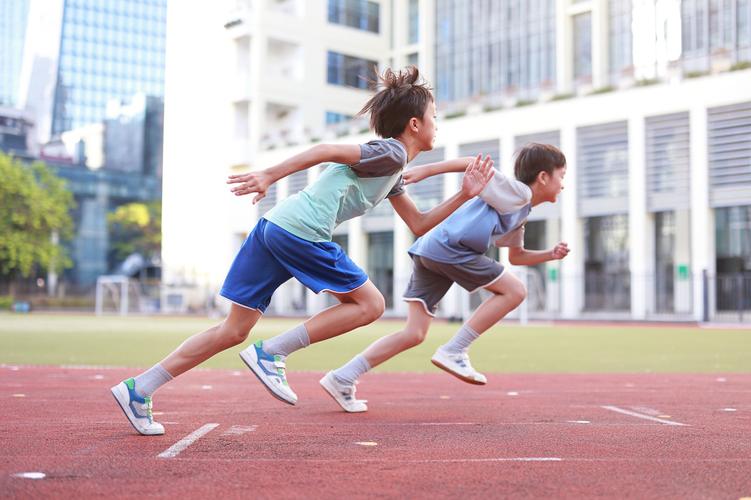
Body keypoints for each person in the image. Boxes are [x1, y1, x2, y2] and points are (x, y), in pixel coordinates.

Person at [110, 66, 494, 435]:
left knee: (233, 330)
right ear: (415, 124)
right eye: (433, 116)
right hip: (301, 232)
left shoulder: (391, 170)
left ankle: (139, 390)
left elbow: (419, 224)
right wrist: (268, 174)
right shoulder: (391, 153)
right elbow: (326, 149)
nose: (436, 124)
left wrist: (464, 194)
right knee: (371, 305)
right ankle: (273, 352)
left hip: (274, 227)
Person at [321, 143, 569, 413]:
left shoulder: (521, 209)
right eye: (562, 176)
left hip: (430, 249)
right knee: (516, 291)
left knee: (414, 333)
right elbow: (473, 162)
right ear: (543, 177)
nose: (563, 185)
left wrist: (549, 254)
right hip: (451, 248)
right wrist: (426, 170)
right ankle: (455, 350)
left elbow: (516, 257)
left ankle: (342, 377)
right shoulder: (518, 192)